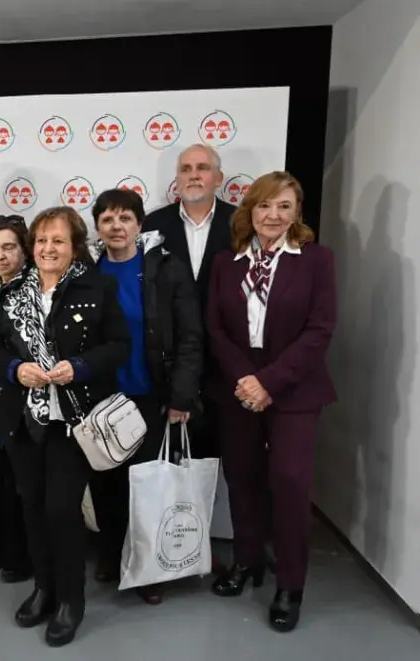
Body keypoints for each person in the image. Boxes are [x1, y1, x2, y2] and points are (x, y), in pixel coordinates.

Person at [0, 205, 129, 647]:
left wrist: (81, 366)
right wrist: (15, 370)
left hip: (73, 418)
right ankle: (43, 588)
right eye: (42, 240)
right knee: (30, 504)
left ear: (74, 246)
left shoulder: (97, 287)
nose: (48, 248)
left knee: (61, 510)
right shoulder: (10, 293)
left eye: (58, 241)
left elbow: (120, 346)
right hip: (23, 419)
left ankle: (71, 600)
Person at [206, 171, 337, 632]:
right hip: (239, 389)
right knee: (241, 477)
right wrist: (246, 379)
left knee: (290, 483)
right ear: (251, 211)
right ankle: (247, 562)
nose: (273, 215)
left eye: (284, 206)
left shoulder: (316, 261)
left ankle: (289, 583)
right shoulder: (228, 262)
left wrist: (270, 383)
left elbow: (319, 330)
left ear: (297, 212)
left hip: (295, 391)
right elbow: (216, 327)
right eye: (265, 206)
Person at [86, 188, 204, 605]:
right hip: (100, 400)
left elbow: (190, 336)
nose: (117, 227)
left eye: (126, 218)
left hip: (150, 395)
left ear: (139, 225)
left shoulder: (166, 270)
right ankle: (111, 552)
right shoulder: (89, 270)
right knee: (105, 484)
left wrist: (181, 398)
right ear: (97, 228)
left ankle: (147, 567)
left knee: (146, 485)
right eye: (107, 219)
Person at [144, 143, 235, 460]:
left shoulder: (242, 224)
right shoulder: (152, 226)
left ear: (219, 177)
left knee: (225, 463)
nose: (193, 175)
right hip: (170, 368)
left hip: (228, 365)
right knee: (170, 465)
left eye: (202, 168)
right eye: (186, 169)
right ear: (177, 179)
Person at [0, 215, 34, 584]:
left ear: (24, 251)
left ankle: (23, 554)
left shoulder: (35, 287)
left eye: (9, 248)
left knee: (22, 480)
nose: (0, 256)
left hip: (24, 394)